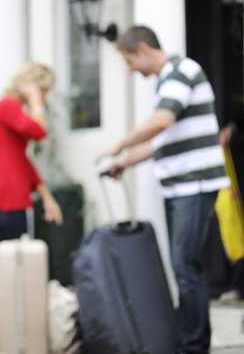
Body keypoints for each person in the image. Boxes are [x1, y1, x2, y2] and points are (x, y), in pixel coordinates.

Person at [97, 26, 230, 354]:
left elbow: (161, 122)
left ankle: (194, 345)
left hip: (195, 183)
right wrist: (125, 161)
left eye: (129, 61)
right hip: (181, 185)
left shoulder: (181, 70)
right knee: (184, 265)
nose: (131, 70)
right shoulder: (167, 79)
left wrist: (120, 143)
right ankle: (189, 340)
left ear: (143, 49)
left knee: (186, 266)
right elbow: (164, 141)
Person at [0, 62, 63, 242]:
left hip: (6, 197)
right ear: (34, 85)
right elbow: (40, 131)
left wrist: (47, 197)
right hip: (6, 198)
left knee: (12, 261)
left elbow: (20, 160)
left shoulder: (10, 107)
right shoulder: (7, 105)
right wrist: (35, 101)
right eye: (44, 91)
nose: (45, 97)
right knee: (14, 262)